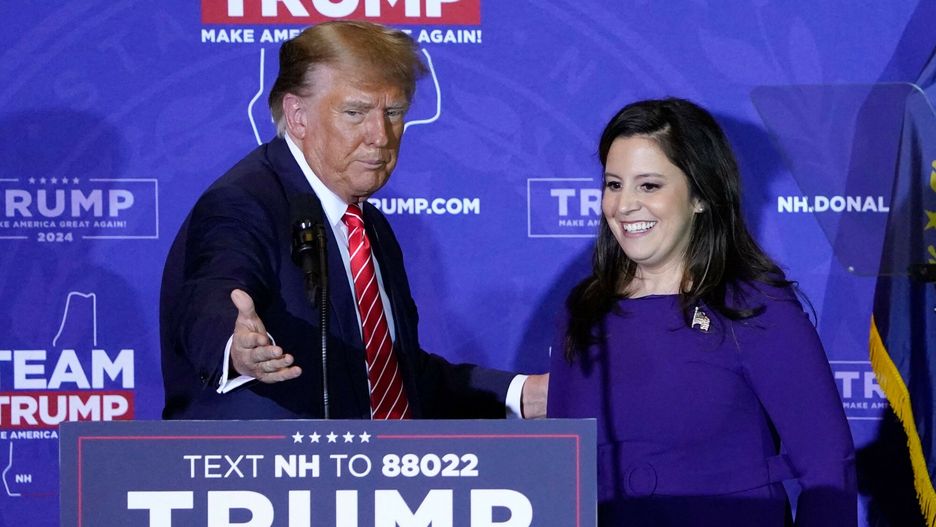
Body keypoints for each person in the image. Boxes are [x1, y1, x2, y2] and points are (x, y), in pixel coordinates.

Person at [160, 21, 547, 421]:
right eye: (355, 112)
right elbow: (212, 295)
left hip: (374, 459)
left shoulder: (365, 223)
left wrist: (525, 395)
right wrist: (236, 347)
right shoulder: (243, 202)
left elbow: (389, 382)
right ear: (298, 116)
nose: (380, 135)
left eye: (393, 112)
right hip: (264, 458)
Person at [547, 98, 856, 525]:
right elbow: (562, 476)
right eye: (614, 185)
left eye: (649, 186)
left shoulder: (752, 307)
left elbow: (827, 463)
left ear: (700, 196)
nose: (624, 205)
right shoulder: (584, 311)